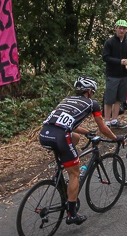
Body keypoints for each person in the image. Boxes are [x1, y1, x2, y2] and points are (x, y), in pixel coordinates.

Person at [38, 77, 122, 225]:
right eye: (93, 92)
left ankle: (62, 168)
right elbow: (103, 128)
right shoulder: (92, 103)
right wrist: (115, 138)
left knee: (74, 137)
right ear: (89, 91)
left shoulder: (67, 100)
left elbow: (65, 122)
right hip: (60, 137)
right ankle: (72, 214)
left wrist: (86, 132)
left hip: (45, 133)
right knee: (75, 173)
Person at [101, 19, 127, 126]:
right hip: (112, 75)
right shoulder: (109, 42)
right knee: (109, 99)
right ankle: (107, 120)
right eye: (120, 28)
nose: (122, 30)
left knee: (119, 98)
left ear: (126, 30)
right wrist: (120, 62)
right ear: (115, 28)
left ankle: (115, 119)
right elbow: (105, 57)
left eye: (124, 28)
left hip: (123, 75)